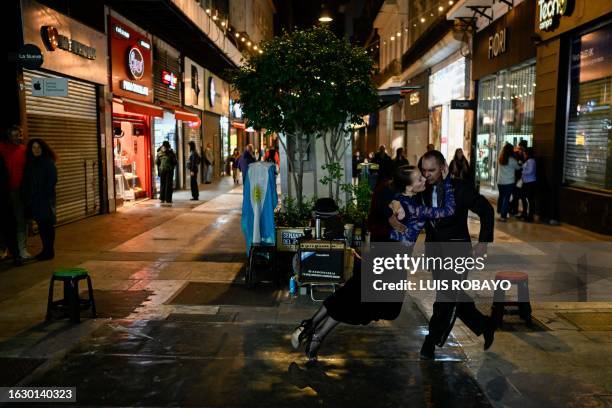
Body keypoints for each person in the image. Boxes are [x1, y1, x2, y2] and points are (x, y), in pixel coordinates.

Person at [290, 165, 457, 362]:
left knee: (351, 296)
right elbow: (448, 210)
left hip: (384, 257)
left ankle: (310, 328)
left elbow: (388, 197)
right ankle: (315, 335)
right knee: (366, 304)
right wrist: (447, 182)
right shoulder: (410, 207)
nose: (424, 180)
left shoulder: (403, 198)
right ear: (409, 187)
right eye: (420, 179)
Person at [417, 150, 495, 360]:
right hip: (435, 251)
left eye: (431, 170)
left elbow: (487, 211)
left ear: (443, 168)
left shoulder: (460, 189)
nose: (427, 175)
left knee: (444, 299)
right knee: (453, 296)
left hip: (457, 251)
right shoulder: (421, 189)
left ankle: (430, 342)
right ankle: (485, 324)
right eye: (423, 170)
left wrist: (483, 243)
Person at [22, 139, 57, 260]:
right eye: (34, 148)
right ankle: (45, 250)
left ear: (43, 149)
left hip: (46, 199)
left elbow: (52, 179)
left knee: (47, 225)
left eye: (38, 148)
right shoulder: (30, 163)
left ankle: (49, 251)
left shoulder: (47, 162)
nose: (36, 150)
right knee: (42, 225)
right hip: (35, 199)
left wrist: (44, 194)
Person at [0, 125, 30, 264]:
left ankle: (21, 249)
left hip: (19, 191)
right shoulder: (2, 148)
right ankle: (4, 249)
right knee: (5, 221)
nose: (17, 138)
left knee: (20, 220)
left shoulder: (24, 150)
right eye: (14, 135)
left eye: (18, 135)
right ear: (8, 136)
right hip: (4, 191)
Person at [497, 143, 521, 222]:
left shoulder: (501, 158)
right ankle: (503, 216)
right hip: (509, 182)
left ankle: (500, 211)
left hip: (500, 181)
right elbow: (518, 167)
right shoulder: (512, 160)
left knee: (501, 196)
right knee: (506, 198)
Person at [519, 147, 536, 222]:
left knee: (530, 199)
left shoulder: (531, 161)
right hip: (526, 182)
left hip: (530, 182)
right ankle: (525, 213)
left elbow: (530, 171)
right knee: (524, 198)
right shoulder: (528, 161)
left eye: (524, 153)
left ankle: (530, 216)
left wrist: (522, 172)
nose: (524, 154)